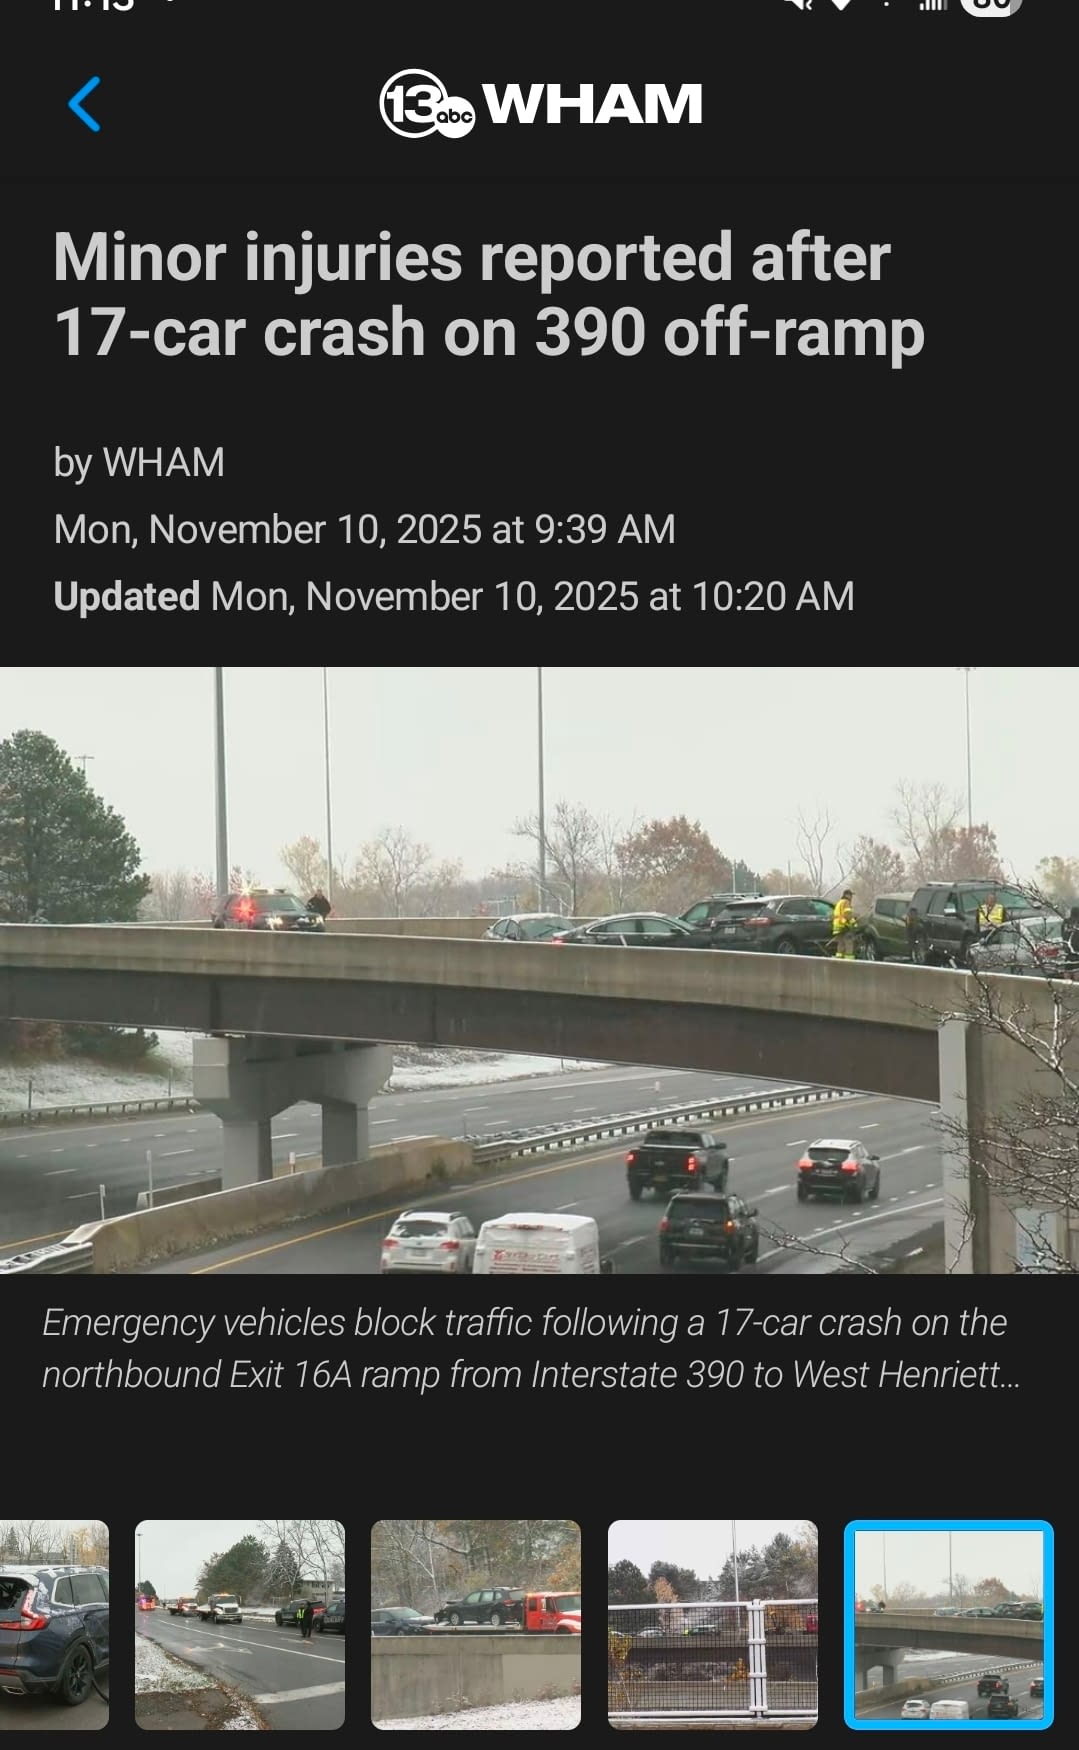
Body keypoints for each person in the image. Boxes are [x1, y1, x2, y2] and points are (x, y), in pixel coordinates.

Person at [832, 889, 857, 960]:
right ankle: (849, 959)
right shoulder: (846, 902)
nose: (851, 897)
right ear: (847, 895)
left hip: (838, 927)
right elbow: (847, 914)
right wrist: (853, 922)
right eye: (851, 895)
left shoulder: (839, 902)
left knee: (841, 943)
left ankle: (839, 958)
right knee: (848, 942)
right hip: (844, 926)